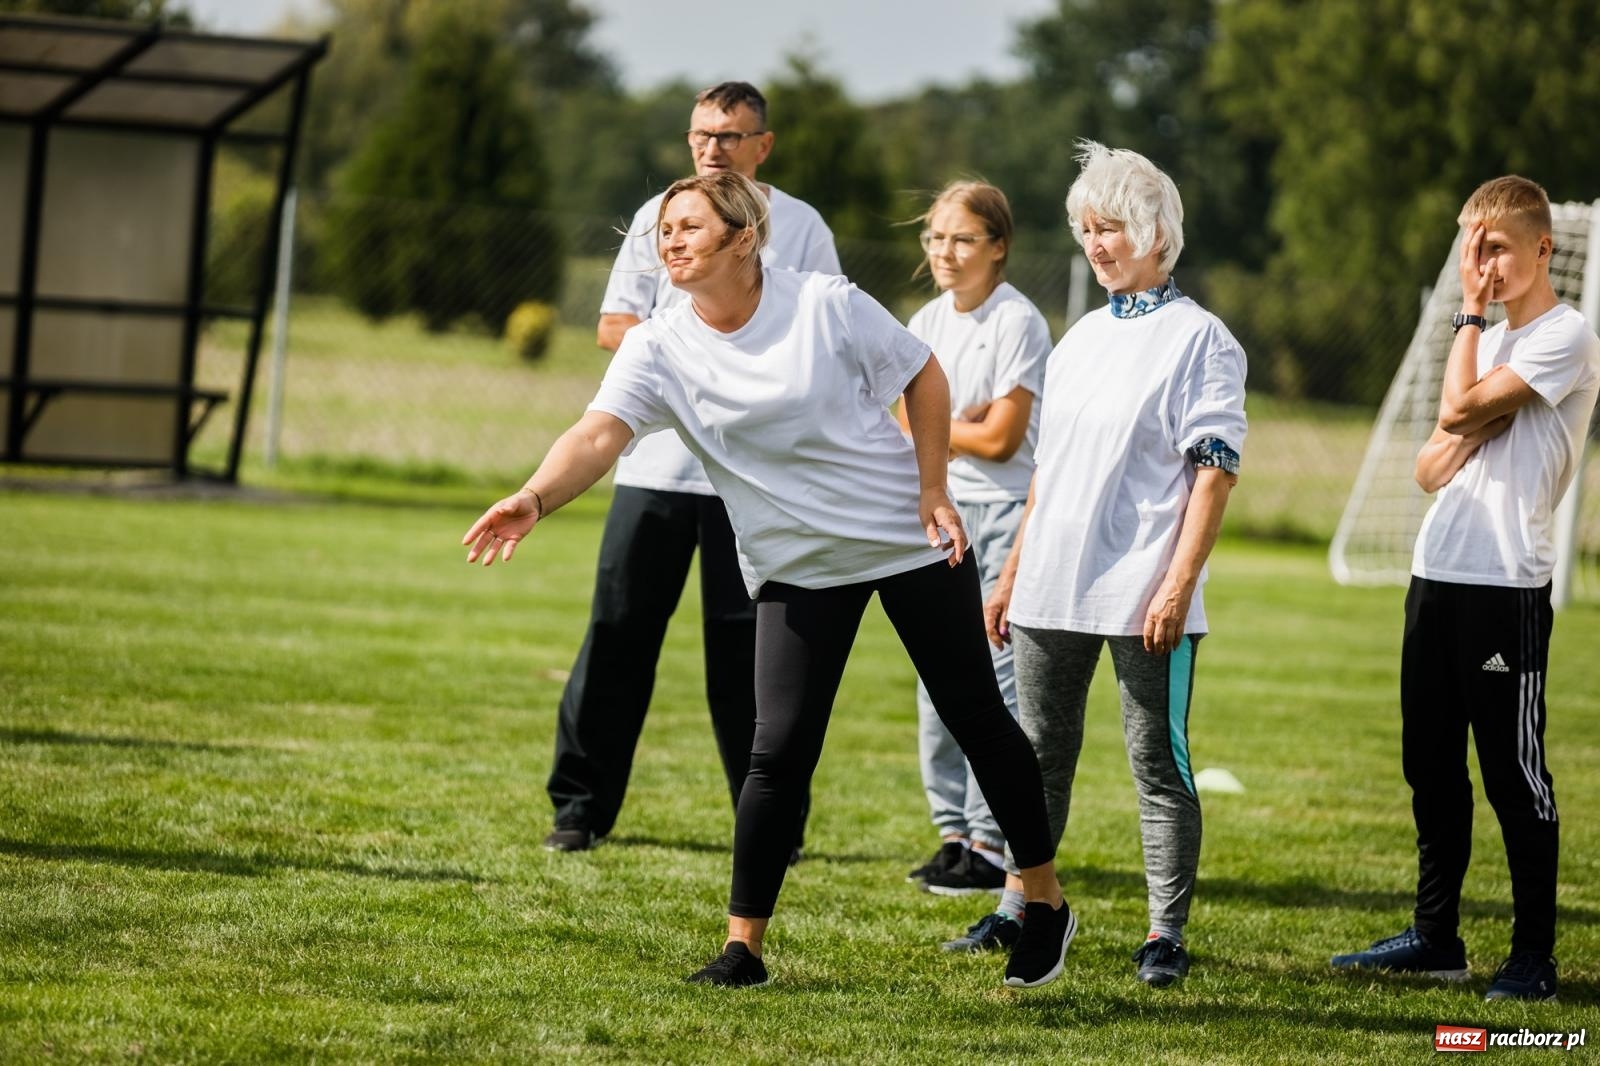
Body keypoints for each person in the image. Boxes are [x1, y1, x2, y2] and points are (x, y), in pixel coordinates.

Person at [463, 171, 1076, 988]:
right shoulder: (658, 344)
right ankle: (743, 950)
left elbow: (924, 375)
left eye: (688, 227)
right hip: (798, 565)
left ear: (742, 237)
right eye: (664, 230)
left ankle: (1043, 902)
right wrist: (535, 496)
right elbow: (598, 434)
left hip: (905, 538)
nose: (669, 241)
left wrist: (934, 486)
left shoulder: (823, 302)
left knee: (976, 718)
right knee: (776, 750)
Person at [949, 142, 1247, 986]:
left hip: (1144, 590)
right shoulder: (1077, 337)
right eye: (1084, 229)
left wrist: (1178, 582)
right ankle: (1021, 907)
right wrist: (1011, 577)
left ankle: (1165, 934)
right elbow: (1047, 471)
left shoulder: (1202, 339)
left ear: (1155, 229)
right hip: (1049, 584)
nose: (1095, 243)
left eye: (1109, 227)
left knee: (1158, 761)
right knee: (1034, 754)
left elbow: (1214, 470)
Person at [544, 81, 838, 855]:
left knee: (748, 661)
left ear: (762, 146)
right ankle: (579, 807)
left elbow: (822, 333)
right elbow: (614, 323)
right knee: (617, 635)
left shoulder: (800, 226)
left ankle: (768, 820)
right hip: (654, 472)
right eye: (702, 134)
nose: (713, 148)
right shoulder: (656, 217)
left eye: (731, 136)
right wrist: (695, 346)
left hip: (752, 483)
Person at [1331, 176, 1600, 1002]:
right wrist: (1475, 404)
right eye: (1471, 248)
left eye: (1497, 248)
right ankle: (1436, 938)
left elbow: (1454, 418)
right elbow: (1428, 465)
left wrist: (1470, 346)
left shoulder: (1565, 335)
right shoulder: (1483, 345)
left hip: (1504, 586)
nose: (1481, 265)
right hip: (1435, 575)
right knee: (1431, 766)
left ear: (1542, 249)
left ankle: (1533, 959)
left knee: (1514, 775)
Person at [894, 181, 1052, 898]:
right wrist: (957, 422)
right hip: (940, 515)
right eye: (935, 238)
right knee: (937, 681)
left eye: (961, 239)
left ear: (998, 246)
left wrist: (938, 424)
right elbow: (894, 421)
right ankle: (952, 836)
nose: (944, 253)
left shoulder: (1018, 322)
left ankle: (991, 845)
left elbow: (1002, 438)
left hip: (1007, 516)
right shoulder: (925, 320)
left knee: (998, 685)